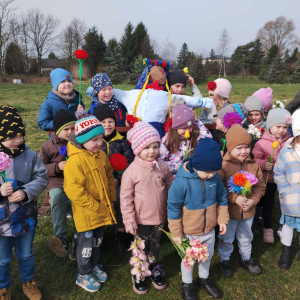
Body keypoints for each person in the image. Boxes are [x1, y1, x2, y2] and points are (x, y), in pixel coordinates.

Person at [168, 137, 229, 299]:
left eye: (214, 172)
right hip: (190, 231)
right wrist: (176, 233)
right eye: (207, 172)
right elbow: (173, 208)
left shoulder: (214, 177)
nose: (211, 175)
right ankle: (187, 283)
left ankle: (204, 279)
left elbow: (222, 197)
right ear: (197, 165)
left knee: (206, 256)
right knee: (189, 260)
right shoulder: (180, 182)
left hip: (209, 228)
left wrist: (222, 219)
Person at [63, 112, 116, 293]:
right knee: (86, 246)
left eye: (101, 138)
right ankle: (83, 274)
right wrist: (95, 206)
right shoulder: (75, 161)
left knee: (97, 242)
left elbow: (109, 177)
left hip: (102, 210)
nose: (99, 143)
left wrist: (111, 199)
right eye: (94, 140)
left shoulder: (100, 155)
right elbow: (73, 191)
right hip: (87, 213)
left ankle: (94, 265)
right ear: (83, 141)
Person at [0, 105, 48, 300]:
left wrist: (26, 192)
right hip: (2, 221)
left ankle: (28, 281)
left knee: (26, 253)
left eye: (21, 135)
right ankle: (3, 287)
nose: (18, 140)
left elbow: (41, 178)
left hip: (25, 216)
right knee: (2, 259)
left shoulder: (30, 156)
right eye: (12, 136)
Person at [120, 122, 173, 294]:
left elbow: (171, 188)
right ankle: (139, 271)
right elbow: (126, 199)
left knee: (155, 245)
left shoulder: (163, 167)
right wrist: (129, 221)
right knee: (140, 246)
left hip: (160, 218)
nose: (152, 151)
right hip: (141, 220)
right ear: (137, 149)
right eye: (147, 147)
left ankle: (153, 266)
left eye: (155, 146)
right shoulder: (131, 172)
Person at [218, 124, 265, 277]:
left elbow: (260, 186)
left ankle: (246, 258)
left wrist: (253, 200)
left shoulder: (253, 164)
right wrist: (235, 198)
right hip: (230, 213)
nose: (244, 151)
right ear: (230, 148)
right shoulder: (223, 165)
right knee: (227, 237)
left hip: (248, 211)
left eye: (246, 147)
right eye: (239, 147)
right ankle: (224, 259)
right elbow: (220, 189)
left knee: (246, 236)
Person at [93, 106, 133, 253]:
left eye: (111, 121)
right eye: (103, 122)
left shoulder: (121, 141)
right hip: (97, 181)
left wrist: (118, 179)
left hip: (117, 181)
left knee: (119, 197)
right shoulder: (94, 142)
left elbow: (128, 162)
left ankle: (121, 231)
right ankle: (96, 232)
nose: (108, 125)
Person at [39, 109, 78, 258]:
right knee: (57, 198)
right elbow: (40, 168)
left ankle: (79, 234)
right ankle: (60, 237)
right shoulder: (47, 146)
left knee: (77, 201)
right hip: (57, 181)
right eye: (66, 129)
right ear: (57, 130)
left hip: (76, 180)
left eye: (73, 128)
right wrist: (56, 167)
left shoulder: (79, 142)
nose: (70, 132)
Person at [253, 108, 291, 244]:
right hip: (268, 179)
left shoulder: (289, 141)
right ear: (270, 125)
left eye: (285, 127)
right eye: (278, 126)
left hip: (285, 179)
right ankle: (267, 227)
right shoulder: (262, 143)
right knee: (269, 203)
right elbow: (254, 158)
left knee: (285, 204)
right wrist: (263, 164)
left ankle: (284, 226)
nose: (281, 130)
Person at [274, 109, 300, 270]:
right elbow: (279, 172)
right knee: (289, 225)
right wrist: (283, 189)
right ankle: (286, 251)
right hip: (291, 197)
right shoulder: (286, 150)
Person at [160, 101, 212, 177]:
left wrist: (197, 122)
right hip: (175, 176)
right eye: (184, 128)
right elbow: (161, 161)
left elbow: (208, 138)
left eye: (190, 127)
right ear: (176, 127)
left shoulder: (193, 138)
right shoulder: (168, 140)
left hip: (192, 174)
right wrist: (177, 167)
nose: (188, 131)